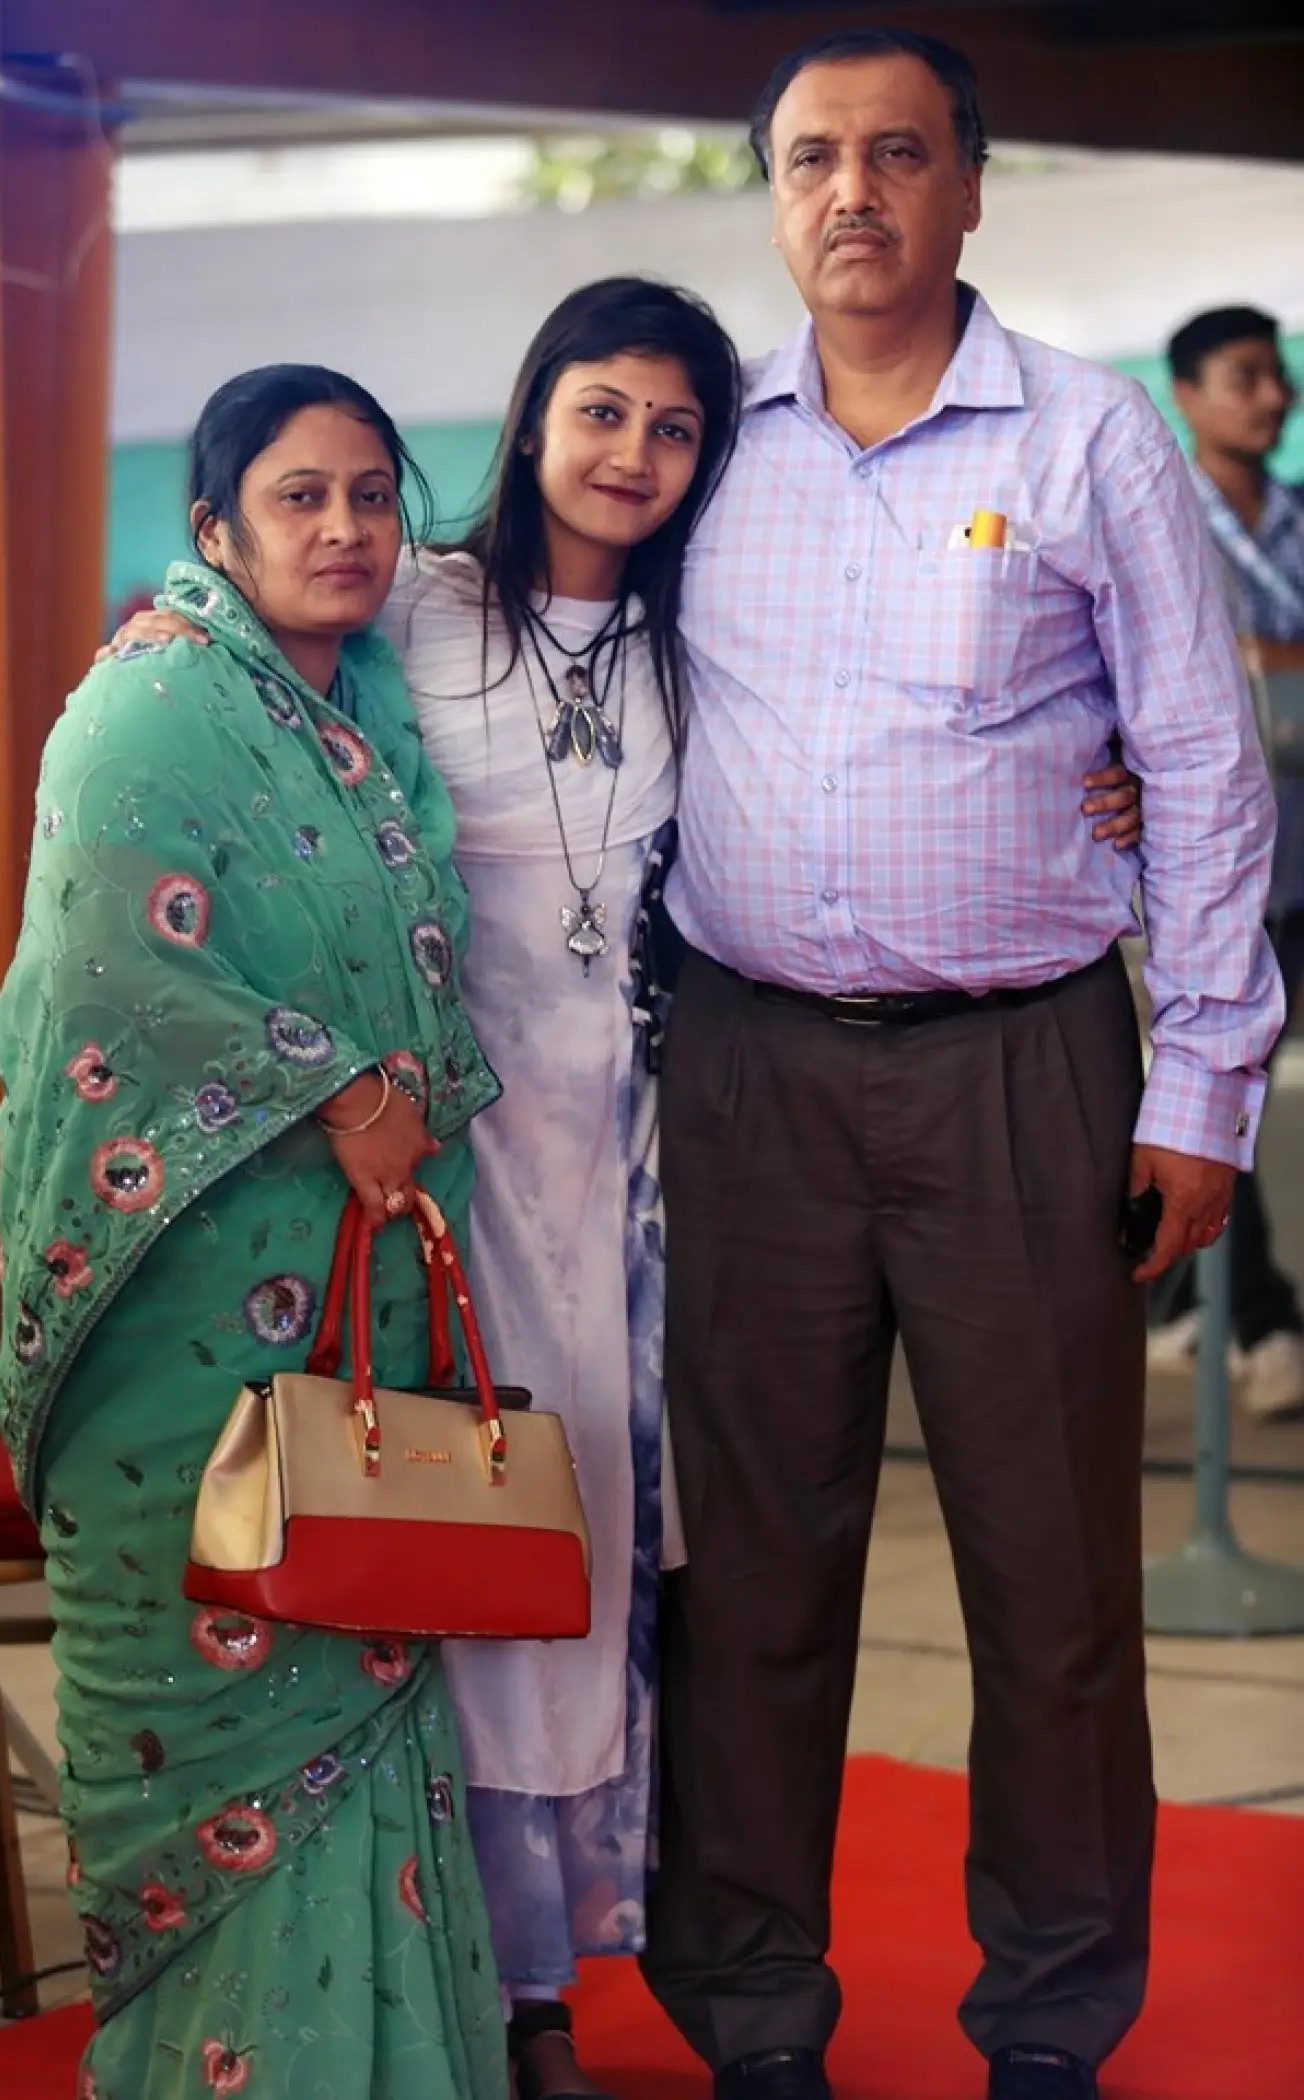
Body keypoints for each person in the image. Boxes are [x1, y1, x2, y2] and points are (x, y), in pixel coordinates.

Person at [101, 277, 1142, 2100]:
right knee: (438, 1523)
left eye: (676, 429)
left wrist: (1093, 778)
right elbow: (240, 746)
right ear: (531, 419)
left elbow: (889, 743)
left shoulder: (696, 629)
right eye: (602, 412)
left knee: (598, 1552)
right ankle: (493, 1993)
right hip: (444, 1150)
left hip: (653, 1153)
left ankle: (568, 1964)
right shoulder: (411, 603)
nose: (635, 456)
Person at [638, 30, 1283, 2100]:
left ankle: (1050, 2030)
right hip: (743, 1076)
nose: (852, 192)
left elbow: (1197, 764)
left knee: (1051, 1582)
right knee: (747, 1574)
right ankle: (751, 2021)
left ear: (969, 187)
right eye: (812, 157)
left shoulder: (1090, 438)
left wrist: (1204, 1085)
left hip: (1020, 1071)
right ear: (772, 193)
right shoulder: (702, 443)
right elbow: (518, 618)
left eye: (896, 153)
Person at [0, 366, 507, 2100]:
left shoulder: (363, 712)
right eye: (301, 496)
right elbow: (109, 971)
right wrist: (341, 1088)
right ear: (214, 527)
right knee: (222, 1701)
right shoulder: (146, 703)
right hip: (176, 1310)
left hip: (349, 1292)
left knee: (358, 1652)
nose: (346, 529)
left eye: (373, 495)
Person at [1148, 306, 1304, 1418]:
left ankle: (1210, 1310)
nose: (1271, 397)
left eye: (1276, 376)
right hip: (1217, 864)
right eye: (1244, 377)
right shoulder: (1163, 521)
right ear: (1188, 395)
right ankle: (1256, 1317)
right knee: (1218, 1089)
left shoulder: (1297, 516)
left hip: (1303, 842)